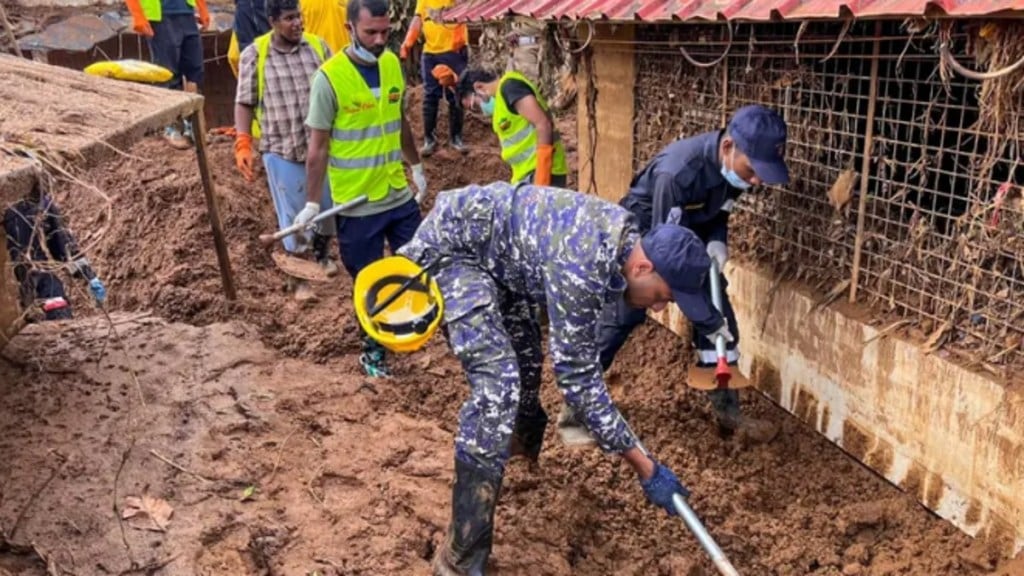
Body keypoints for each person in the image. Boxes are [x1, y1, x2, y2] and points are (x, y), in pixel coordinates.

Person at [396, 181, 720, 575]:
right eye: (664, 295)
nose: (660, 306)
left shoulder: (622, 243)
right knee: (498, 384)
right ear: (643, 267)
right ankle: (460, 558)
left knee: (527, 361)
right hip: (454, 252)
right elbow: (578, 380)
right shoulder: (584, 262)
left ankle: (516, 464)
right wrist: (646, 467)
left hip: (503, 263)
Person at [561, 105, 790, 446]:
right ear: (728, 147)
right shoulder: (678, 173)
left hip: (688, 239)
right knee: (622, 316)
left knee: (719, 315)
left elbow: (718, 213)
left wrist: (716, 240)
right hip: (646, 236)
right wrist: (701, 312)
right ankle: (575, 412)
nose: (756, 180)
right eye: (753, 170)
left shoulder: (736, 171)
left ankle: (729, 415)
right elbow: (662, 250)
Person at [294, 0, 428, 378]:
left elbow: (398, 120)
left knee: (416, 265)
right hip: (357, 203)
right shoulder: (329, 79)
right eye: (371, 32)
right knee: (368, 282)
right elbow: (317, 149)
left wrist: (416, 166)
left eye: (386, 32)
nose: (380, 40)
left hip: (396, 193)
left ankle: (409, 329)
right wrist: (310, 203)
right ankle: (373, 352)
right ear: (350, 27)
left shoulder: (391, 64)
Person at [233, 0, 337, 301]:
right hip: (281, 147)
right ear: (272, 21)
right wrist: (243, 141)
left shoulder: (318, 48)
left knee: (326, 206)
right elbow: (244, 101)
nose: (297, 24)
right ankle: (297, 279)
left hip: (320, 146)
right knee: (293, 218)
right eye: (289, 18)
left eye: (299, 17)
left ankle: (321, 255)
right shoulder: (256, 54)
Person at [3, 169, 107, 322]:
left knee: (52, 296)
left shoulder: (43, 204)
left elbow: (63, 245)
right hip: (29, 282)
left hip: (36, 281)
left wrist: (89, 276)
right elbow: (62, 245)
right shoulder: (18, 208)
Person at [446, 67, 568, 187]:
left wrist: (541, 178)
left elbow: (543, 124)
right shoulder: (500, 103)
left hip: (543, 173)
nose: (481, 111)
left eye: (474, 106)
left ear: (479, 87)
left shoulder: (510, 87)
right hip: (526, 176)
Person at [126, 0, 210, 150]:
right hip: (160, 15)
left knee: (194, 70)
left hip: (186, 12)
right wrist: (138, 15)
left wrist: (202, 8)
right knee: (167, 72)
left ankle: (193, 127)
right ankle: (170, 127)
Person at [399, 0, 468, 156]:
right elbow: (418, 19)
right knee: (430, 96)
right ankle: (429, 139)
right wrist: (407, 42)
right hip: (430, 53)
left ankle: (456, 138)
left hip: (454, 51)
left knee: (455, 94)